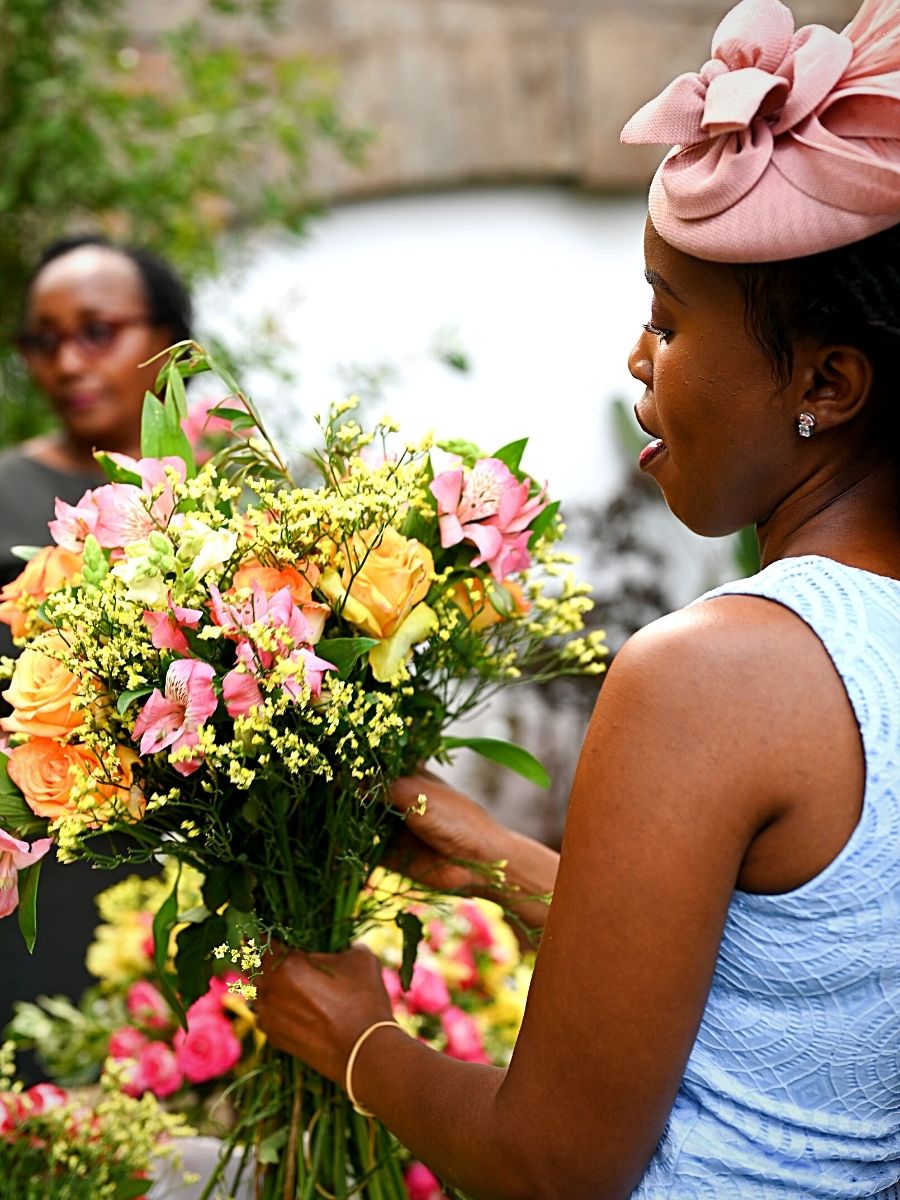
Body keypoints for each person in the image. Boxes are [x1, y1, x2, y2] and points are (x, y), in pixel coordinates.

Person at [255, 1, 900, 1196]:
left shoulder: (721, 669)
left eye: (668, 316)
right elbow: (810, 983)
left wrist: (355, 1041)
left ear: (828, 380)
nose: (637, 358)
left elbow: (558, 1165)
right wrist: (506, 858)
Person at [0, 235, 192, 1046]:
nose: (67, 363)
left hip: (192, 889)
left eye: (95, 331)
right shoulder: (7, 492)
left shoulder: (231, 499)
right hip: (34, 890)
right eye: (44, 340)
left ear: (172, 340)